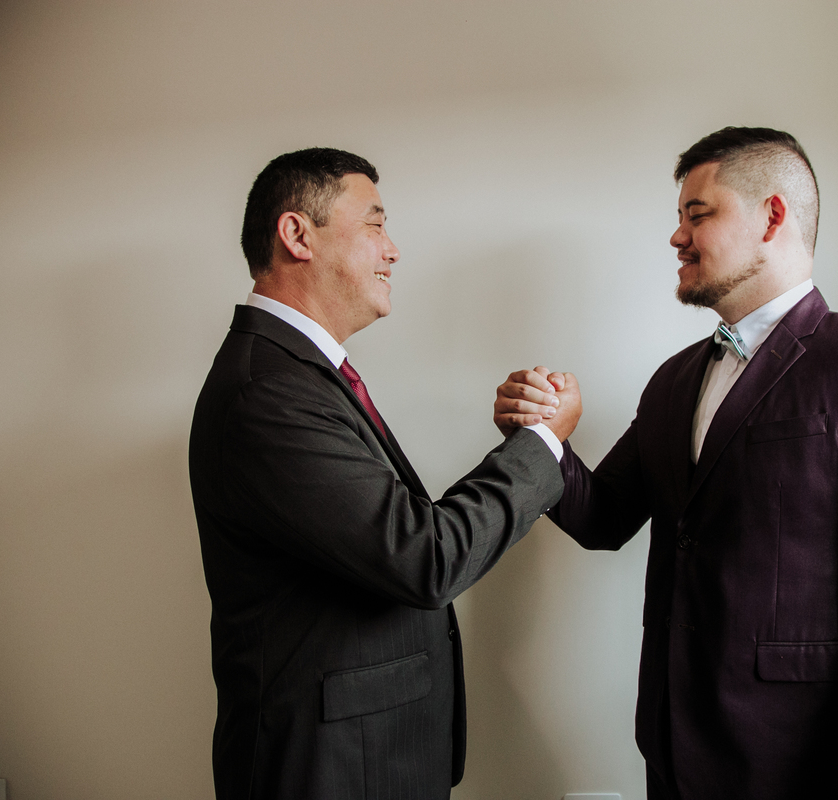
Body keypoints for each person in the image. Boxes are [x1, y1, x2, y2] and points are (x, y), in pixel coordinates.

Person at [494, 127, 838, 799]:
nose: (677, 237)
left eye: (698, 214)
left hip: (808, 767)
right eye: (679, 217)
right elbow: (603, 518)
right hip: (672, 754)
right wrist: (542, 437)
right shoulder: (673, 380)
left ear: (772, 217)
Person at [188, 147, 580, 800]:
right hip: (331, 770)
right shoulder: (270, 394)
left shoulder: (298, 378)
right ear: (297, 235)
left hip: (369, 757)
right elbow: (424, 557)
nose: (392, 251)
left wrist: (525, 442)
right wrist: (543, 442)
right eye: (374, 224)